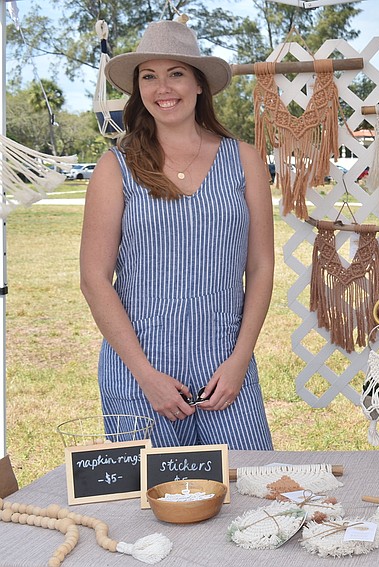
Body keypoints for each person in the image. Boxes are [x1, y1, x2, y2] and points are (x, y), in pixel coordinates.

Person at [80, 20, 274, 450]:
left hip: (225, 373)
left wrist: (239, 362)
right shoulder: (116, 167)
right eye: (148, 76)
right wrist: (146, 376)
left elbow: (260, 268)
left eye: (176, 73)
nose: (162, 87)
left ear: (200, 84)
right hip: (139, 376)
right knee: (151, 509)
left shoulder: (244, 161)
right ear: (138, 89)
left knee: (252, 499)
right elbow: (95, 279)